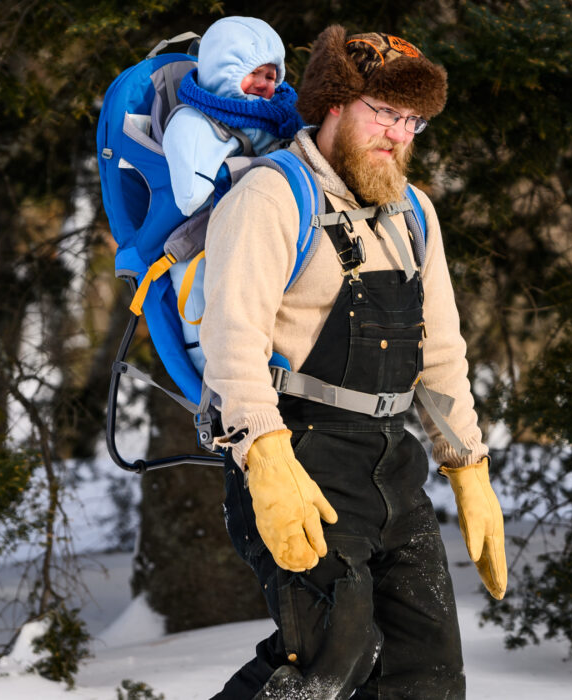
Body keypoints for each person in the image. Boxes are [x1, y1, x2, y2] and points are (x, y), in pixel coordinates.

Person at [200, 25, 506, 699]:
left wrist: (469, 468)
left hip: (393, 466)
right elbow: (232, 345)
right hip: (301, 458)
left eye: (412, 121)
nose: (398, 134)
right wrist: (266, 459)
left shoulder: (413, 213)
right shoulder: (270, 198)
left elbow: (442, 354)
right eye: (383, 113)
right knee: (330, 662)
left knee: (427, 678)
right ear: (335, 103)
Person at [162, 15, 303, 217]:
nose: (263, 83)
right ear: (221, 70)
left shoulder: (283, 115)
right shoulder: (192, 123)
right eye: (254, 72)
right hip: (218, 229)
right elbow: (189, 199)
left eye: (271, 77)